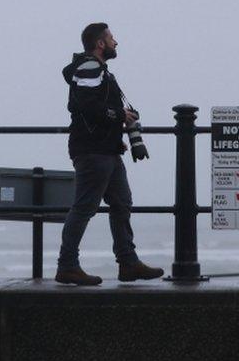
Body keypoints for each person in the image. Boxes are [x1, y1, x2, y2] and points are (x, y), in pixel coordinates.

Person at [55, 23, 165, 285]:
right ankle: (67, 265)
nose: (117, 42)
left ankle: (128, 263)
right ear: (100, 44)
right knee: (84, 207)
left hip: (106, 150)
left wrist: (117, 138)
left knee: (121, 202)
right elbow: (86, 106)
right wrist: (119, 115)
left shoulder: (97, 70)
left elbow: (94, 108)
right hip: (93, 152)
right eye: (112, 38)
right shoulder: (90, 68)